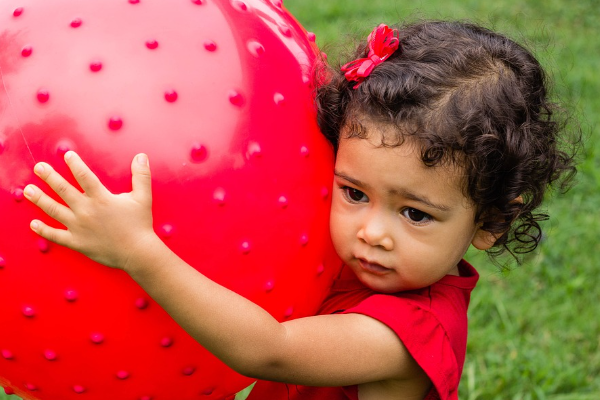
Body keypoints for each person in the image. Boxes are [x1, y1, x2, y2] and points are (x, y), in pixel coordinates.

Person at [24, 20, 578, 400]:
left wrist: (140, 251)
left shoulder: (408, 333)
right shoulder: (356, 257)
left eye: (415, 214)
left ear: (491, 222)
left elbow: (268, 351)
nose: (372, 233)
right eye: (354, 193)